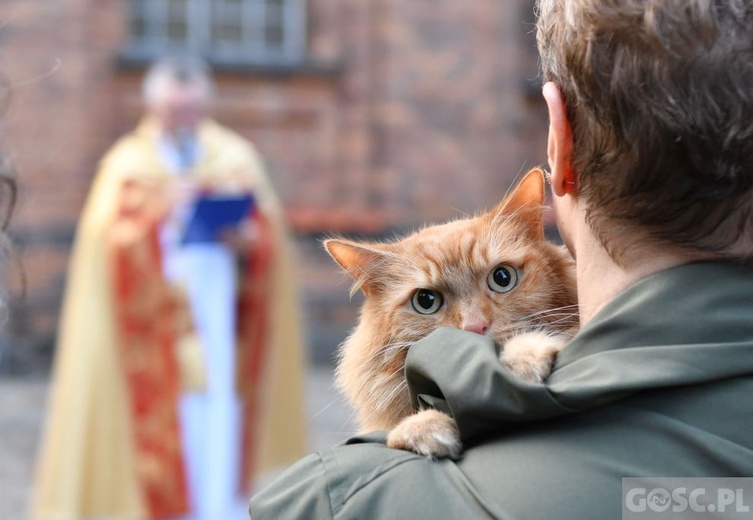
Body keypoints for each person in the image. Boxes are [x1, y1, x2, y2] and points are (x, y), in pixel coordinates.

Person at [250, 0, 753, 518]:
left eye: (503, 277)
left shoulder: (342, 502)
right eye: (427, 300)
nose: (475, 322)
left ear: (558, 142)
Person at [32, 55, 307, 520]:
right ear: (152, 106)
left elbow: (268, 239)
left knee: (218, 412)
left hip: (220, 319)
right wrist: (157, 214)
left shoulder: (234, 157)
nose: (184, 118)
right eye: (174, 109)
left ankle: (219, 509)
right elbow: (105, 243)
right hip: (149, 331)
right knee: (162, 422)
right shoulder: (127, 165)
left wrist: (247, 240)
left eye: (192, 108)